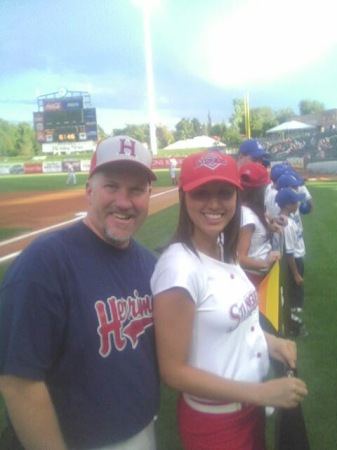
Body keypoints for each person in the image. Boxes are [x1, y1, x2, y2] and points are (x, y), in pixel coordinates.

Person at [0, 136, 160, 450]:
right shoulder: (44, 263)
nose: (124, 202)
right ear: (89, 191)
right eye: (111, 186)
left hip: (143, 431)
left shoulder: (150, 265)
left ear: (148, 195)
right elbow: (19, 382)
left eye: (136, 190)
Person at [151, 151, 308, 450]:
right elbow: (172, 371)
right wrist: (262, 394)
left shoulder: (221, 245)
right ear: (184, 197)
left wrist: (268, 341)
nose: (214, 204)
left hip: (249, 411)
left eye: (224, 193)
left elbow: (230, 325)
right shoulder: (178, 268)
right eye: (201, 193)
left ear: (237, 196)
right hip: (216, 424)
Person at [238, 162, 281, 288]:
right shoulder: (247, 215)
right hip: (253, 278)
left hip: (256, 275)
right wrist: (266, 264)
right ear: (259, 190)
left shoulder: (250, 209)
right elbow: (241, 258)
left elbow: (256, 233)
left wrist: (270, 227)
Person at [275, 187, 308, 338]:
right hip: (293, 263)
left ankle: (293, 325)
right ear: (288, 205)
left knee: (296, 295)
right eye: (295, 201)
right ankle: (294, 328)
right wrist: (295, 274)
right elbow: (289, 252)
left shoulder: (286, 220)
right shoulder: (287, 225)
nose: (298, 204)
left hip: (296, 260)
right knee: (295, 296)